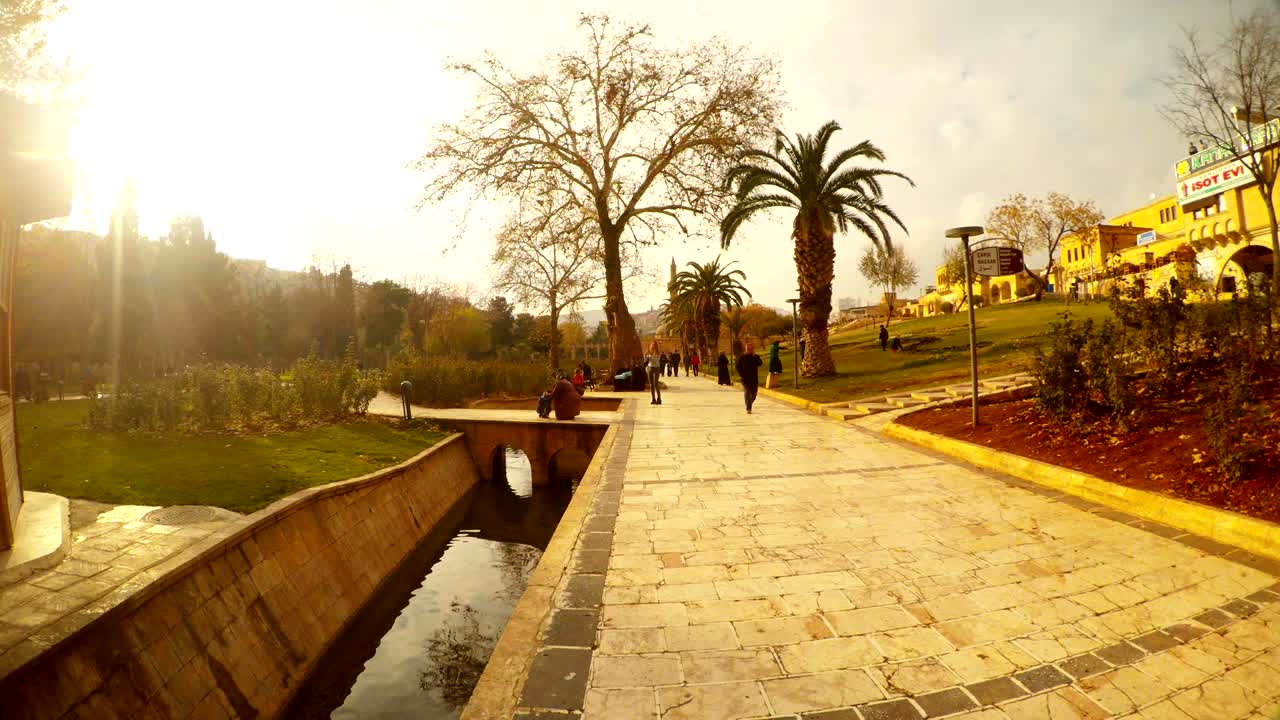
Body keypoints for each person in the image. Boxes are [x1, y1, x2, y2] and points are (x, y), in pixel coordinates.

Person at [736, 342, 763, 414]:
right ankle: (748, 408)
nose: (749, 349)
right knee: (747, 392)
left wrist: (755, 356)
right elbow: (738, 366)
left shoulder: (755, 356)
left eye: (751, 348)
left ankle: (749, 403)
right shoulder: (741, 357)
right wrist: (741, 375)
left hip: (754, 378)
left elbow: (760, 363)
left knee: (754, 395)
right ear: (745, 349)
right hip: (745, 379)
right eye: (748, 348)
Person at [646, 340, 663, 405]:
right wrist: (647, 356)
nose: (653, 346)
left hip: (656, 368)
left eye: (654, 345)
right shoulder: (649, 352)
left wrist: (650, 356)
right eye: (652, 344)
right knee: (651, 385)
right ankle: (653, 399)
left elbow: (656, 359)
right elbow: (647, 359)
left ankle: (659, 398)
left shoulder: (658, 352)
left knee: (656, 383)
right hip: (650, 368)